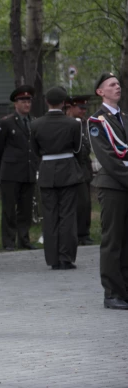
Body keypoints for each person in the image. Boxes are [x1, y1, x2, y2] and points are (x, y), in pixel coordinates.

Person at [87, 72, 128, 310]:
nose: (117, 87)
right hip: (112, 186)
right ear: (100, 92)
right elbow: (109, 159)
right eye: (112, 85)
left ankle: (124, 289)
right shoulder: (96, 121)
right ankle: (112, 293)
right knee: (113, 240)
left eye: (119, 84)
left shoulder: (124, 117)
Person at [30, 87, 83, 270]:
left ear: (46, 102)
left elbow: (35, 151)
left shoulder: (35, 124)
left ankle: (52, 259)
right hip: (68, 170)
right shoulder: (74, 124)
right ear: (63, 103)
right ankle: (66, 257)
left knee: (50, 216)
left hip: (47, 171)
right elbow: (77, 149)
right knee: (67, 215)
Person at [0, 85, 40, 251]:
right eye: (23, 101)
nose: (26, 104)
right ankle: (8, 241)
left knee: (25, 209)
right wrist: (5, 166)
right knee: (9, 209)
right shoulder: (6, 123)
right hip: (11, 173)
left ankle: (24, 239)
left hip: (28, 171)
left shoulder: (34, 122)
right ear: (16, 103)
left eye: (28, 101)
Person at [65, 95, 94, 245]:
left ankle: (84, 233)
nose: (83, 111)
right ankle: (76, 233)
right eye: (80, 108)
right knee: (73, 203)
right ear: (70, 107)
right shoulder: (67, 123)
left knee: (85, 203)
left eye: (85, 108)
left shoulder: (85, 124)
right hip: (70, 166)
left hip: (84, 167)